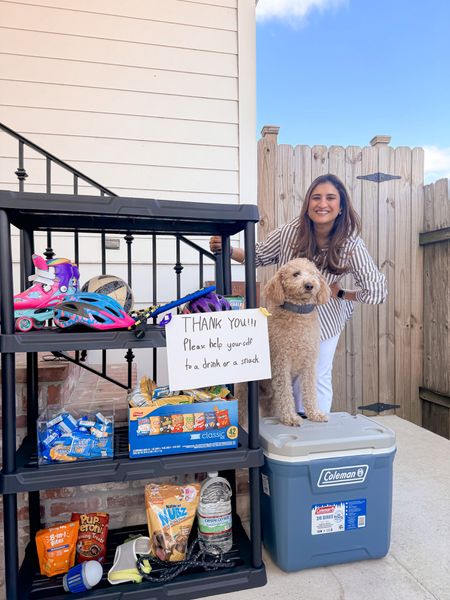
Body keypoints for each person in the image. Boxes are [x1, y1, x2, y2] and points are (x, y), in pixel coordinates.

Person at [209, 173, 387, 414]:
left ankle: (312, 435)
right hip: (283, 315)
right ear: (307, 204)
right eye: (316, 197)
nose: (322, 203)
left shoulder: (350, 244)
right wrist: (228, 249)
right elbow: (258, 254)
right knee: (280, 377)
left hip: (325, 319)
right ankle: (282, 434)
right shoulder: (290, 232)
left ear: (341, 206)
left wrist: (342, 293)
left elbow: (376, 291)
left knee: (316, 376)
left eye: (330, 198)